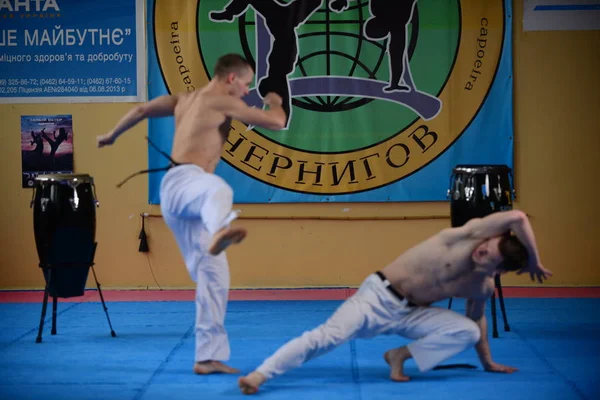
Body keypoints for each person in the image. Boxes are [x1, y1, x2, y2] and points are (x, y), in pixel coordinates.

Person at [97, 54, 287, 375]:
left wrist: (112, 135)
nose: (245, 92)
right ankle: (218, 231)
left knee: (213, 275)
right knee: (220, 190)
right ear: (231, 79)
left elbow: (142, 110)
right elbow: (277, 122)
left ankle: (206, 358)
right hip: (190, 185)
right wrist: (276, 100)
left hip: (177, 196)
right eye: (245, 85)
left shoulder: (183, 99)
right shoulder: (221, 101)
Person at [238, 210, 553, 394]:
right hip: (376, 298)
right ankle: (260, 375)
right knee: (327, 337)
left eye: (489, 258)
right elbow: (517, 217)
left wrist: (488, 363)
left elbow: (477, 322)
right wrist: (535, 261)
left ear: (497, 272)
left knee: (468, 331)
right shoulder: (464, 237)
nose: (481, 251)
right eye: (487, 246)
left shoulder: (481, 286)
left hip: (413, 314)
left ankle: (399, 355)